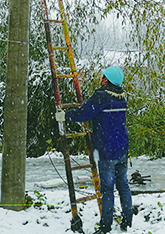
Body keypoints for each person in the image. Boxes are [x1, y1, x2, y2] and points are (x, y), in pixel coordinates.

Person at [56, 66, 133, 233]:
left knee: (107, 189)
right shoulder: (122, 97)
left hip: (107, 150)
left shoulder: (101, 96)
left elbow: (84, 113)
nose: (100, 78)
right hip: (122, 148)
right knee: (123, 185)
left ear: (107, 80)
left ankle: (105, 226)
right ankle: (127, 221)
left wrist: (65, 116)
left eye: (103, 76)